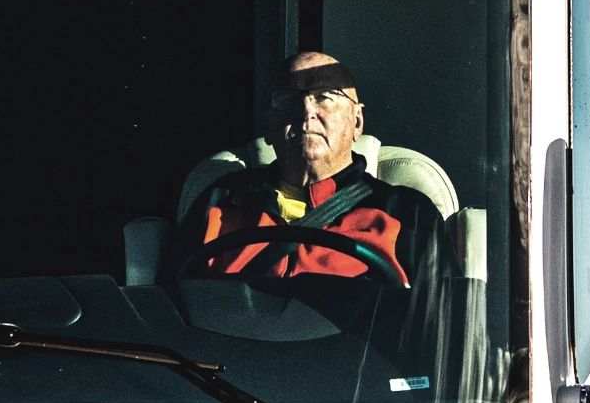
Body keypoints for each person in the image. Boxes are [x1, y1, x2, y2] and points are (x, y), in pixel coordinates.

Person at [177, 50, 439, 334]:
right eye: (287, 99)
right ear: (269, 125)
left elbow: (438, 327)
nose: (305, 111)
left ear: (357, 122)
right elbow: (170, 313)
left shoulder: (406, 211)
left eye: (325, 96)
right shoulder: (220, 200)